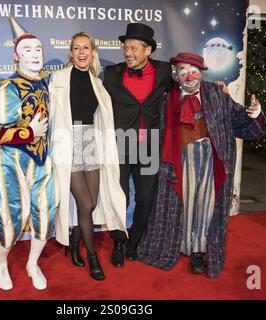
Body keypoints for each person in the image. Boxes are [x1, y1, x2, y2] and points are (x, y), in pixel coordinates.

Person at [137, 52, 266, 278]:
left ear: (202, 72)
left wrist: (254, 114)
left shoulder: (217, 94)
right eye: (183, 71)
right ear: (176, 75)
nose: (189, 77)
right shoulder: (167, 99)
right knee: (184, 203)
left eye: (193, 71)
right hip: (181, 158)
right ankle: (182, 245)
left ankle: (198, 251)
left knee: (206, 204)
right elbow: (159, 132)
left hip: (211, 157)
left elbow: (238, 120)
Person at [0, 16, 57, 290]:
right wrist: (26, 132)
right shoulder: (4, 87)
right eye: (28, 50)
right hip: (10, 163)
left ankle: (32, 263)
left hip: (42, 162)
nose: (35, 55)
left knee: (45, 215)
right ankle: (1, 262)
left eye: (38, 49)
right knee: (9, 219)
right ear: (16, 57)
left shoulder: (50, 84)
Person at [49, 32, 127, 280]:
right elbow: (48, 115)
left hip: (91, 142)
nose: (81, 52)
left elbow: (102, 118)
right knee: (84, 204)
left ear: (93, 51)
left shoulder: (97, 83)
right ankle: (92, 256)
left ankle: (74, 242)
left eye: (86, 48)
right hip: (66, 143)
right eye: (76, 48)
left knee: (91, 203)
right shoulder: (58, 79)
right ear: (71, 53)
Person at [103, 23, 173, 267]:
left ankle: (135, 243)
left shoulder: (164, 72)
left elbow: (181, 91)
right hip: (120, 145)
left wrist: (214, 87)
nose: (127, 52)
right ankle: (119, 241)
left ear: (148, 50)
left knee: (145, 198)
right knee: (118, 198)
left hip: (149, 146)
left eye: (133, 48)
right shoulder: (112, 73)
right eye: (125, 47)